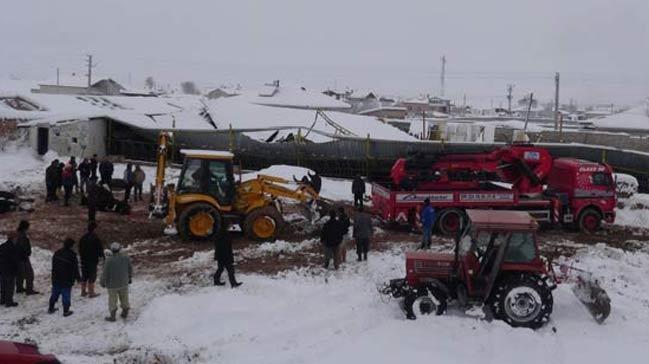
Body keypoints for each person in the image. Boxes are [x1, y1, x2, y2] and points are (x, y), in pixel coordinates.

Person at [48, 238, 81, 317]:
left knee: (55, 293)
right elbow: (75, 268)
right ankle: (66, 311)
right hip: (67, 278)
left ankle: (51, 307)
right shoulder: (72, 255)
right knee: (66, 294)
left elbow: (53, 265)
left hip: (56, 277)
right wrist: (78, 278)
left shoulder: (57, 253)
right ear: (71, 246)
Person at [101, 243, 132, 322]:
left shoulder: (108, 260)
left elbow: (105, 273)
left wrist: (102, 282)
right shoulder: (126, 258)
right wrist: (130, 277)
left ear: (111, 250)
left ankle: (112, 316)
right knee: (124, 297)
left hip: (112, 285)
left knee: (112, 300)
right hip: (123, 282)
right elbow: (130, 269)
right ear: (119, 249)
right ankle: (125, 312)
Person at [79, 222, 104, 298]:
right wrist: (101, 256)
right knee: (92, 276)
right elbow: (99, 249)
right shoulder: (95, 238)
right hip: (92, 260)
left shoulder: (83, 238)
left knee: (84, 275)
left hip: (84, 259)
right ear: (94, 229)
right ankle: (91, 292)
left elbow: (80, 248)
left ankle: (83, 291)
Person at [15, 220, 39, 295]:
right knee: (29, 274)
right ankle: (29, 290)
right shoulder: (22, 236)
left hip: (17, 257)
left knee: (20, 274)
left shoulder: (17, 234)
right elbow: (22, 247)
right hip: (23, 257)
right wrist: (26, 254)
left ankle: (19, 288)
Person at [0, 231, 20, 307]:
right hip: (10, 270)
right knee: (10, 287)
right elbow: (15, 260)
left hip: (2, 270)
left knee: (3, 286)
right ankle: (9, 301)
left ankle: (2, 300)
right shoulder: (14, 248)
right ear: (13, 239)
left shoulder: (2, 246)